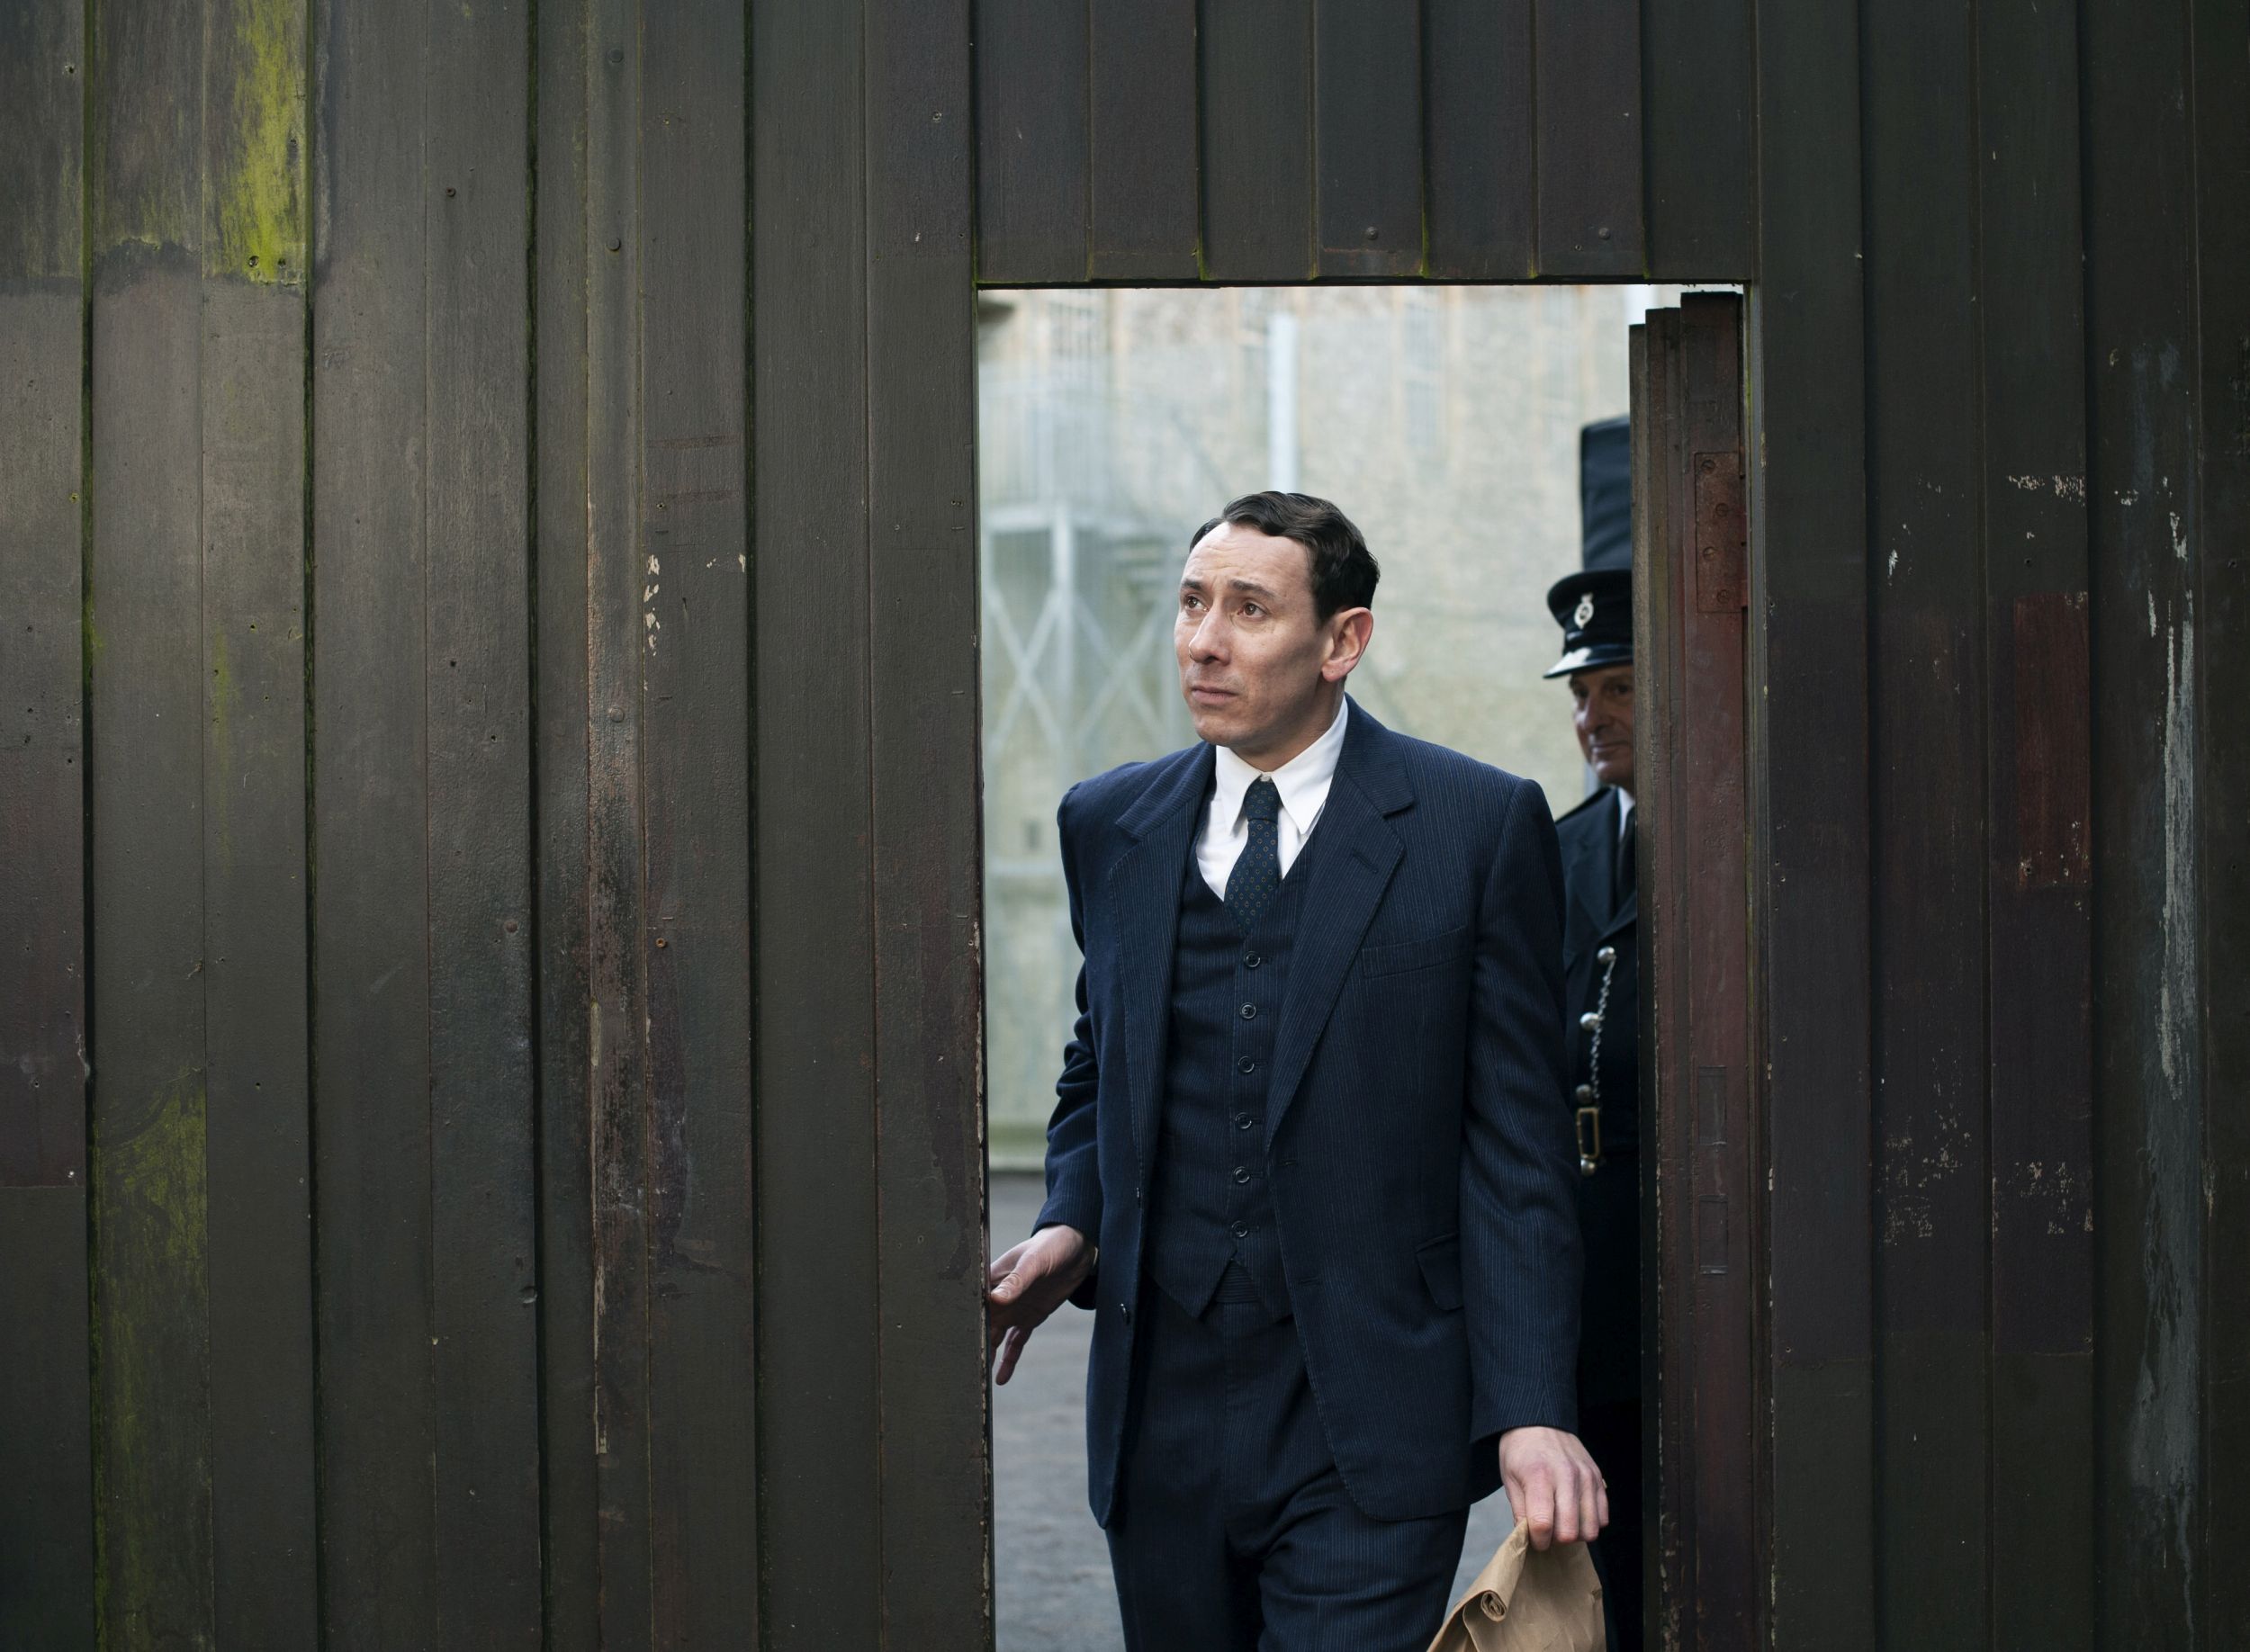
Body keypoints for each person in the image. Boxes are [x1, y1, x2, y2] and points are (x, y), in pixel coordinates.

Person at [987, 491, 1606, 1652]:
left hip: (1370, 1416)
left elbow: (1516, 1146)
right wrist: (1075, 1216)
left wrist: (1530, 1410)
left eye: (1249, 609)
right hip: (1159, 1413)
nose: (1203, 640)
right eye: (1190, 604)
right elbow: (1097, 1064)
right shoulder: (1108, 822)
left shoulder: (1476, 828)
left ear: (1343, 642)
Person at [1541, 413, 1643, 1652]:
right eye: (1582, 689)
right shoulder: (1556, 856)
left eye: (1617, 686)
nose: (1591, 715)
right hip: (1587, 1313)